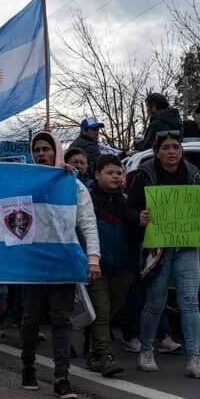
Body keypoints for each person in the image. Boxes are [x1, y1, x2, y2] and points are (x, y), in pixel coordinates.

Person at [126, 131, 200, 379]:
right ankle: (146, 350)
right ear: (157, 152)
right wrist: (139, 217)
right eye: (165, 147)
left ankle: (194, 359)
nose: (171, 151)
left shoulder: (191, 172)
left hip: (186, 246)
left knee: (190, 301)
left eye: (175, 147)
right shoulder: (146, 173)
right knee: (156, 301)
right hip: (157, 248)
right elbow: (129, 208)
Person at [20, 130, 101, 399]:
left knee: (60, 320)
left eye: (46, 149)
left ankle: (62, 377)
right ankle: (28, 367)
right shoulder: (24, 184)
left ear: (57, 151)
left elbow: (88, 224)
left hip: (63, 263)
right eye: (37, 150)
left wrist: (93, 258)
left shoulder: (73, 185)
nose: (41, 154)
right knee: (31, 319)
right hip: (32, 263)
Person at [86, 154, 135, 377]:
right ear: (97, 175)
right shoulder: (86, 201)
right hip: (97, 266)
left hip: (123, 267)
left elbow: (135, 226)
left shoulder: (126, 200)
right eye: (109, 172)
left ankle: (94, 347)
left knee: (111, 309)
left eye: (119, 172)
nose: (115, 176)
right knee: (102, 311)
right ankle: (104, 356)